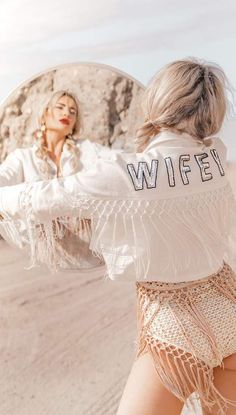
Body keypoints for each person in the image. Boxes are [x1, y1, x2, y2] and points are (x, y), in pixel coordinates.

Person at [0, 59, 236, 414]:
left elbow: (42, 198)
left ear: (159, 101)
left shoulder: (124, 174)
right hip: (228, 307)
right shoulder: (216, 157)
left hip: (174, 331)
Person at [0, 89, 112, 271]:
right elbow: (3, 177)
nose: (67, 113)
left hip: (88, 260)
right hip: (38, 261)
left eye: (73, 111)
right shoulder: (23, 158)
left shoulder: (87, 150)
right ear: (45, 114)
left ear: (75, 123)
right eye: (60, 107)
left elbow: (116, 161)